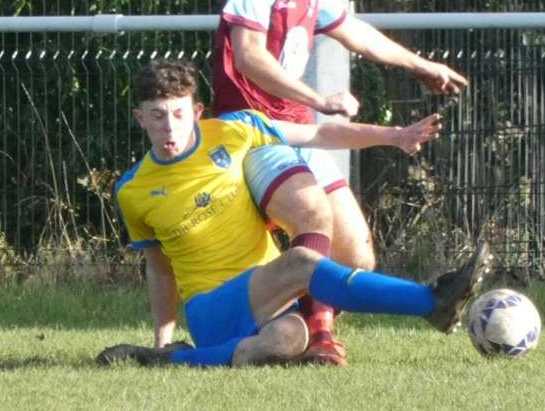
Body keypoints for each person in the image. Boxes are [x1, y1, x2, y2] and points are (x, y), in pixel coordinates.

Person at [212, 0, 469, 359]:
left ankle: (292, 330)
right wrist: (317, 99)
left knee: (356, 254)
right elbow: (247, 55)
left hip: (298, 133)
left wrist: (421, 64)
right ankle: (319, 336)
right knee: (312, 212)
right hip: (250, 131)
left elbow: (359, 34)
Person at [97, 59, 492, 369]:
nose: (170, 126)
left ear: (197, 111)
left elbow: (319, 135)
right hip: (210, 306)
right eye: (157, 115)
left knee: (289, 340)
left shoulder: (235, 131)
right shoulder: (134, 189)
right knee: (303, 261)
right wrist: (162, 334)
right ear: (140, 117)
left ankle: (180, 360)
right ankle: (430, 301)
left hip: (269, 297)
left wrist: (392, 136)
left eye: (179, 114)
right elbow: (159, 269)